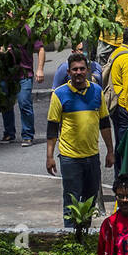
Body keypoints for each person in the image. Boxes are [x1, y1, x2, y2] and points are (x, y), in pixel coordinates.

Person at [45, 52, 115, 227]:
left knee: (89, 201)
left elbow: (105, 123)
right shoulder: (59, 94)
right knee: (71, 202)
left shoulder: (97, 91)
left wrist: (110, 152)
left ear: (88, 70)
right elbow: (52, 128)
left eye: (82, 69)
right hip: (70, 159)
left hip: (92, 156)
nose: (78, 72)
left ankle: (84, 236)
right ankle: (70, 241)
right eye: (74, 69)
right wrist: (50, 156)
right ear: (68, 72)